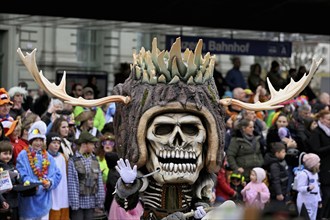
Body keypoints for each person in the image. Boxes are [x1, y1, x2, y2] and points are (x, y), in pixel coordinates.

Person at [16, 120, 62, 219]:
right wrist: (35, 185)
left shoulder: (48, 156)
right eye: (36, 140)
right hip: (28, 202)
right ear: (31, 141)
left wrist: (49, 182)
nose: (38, 143)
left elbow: (57, 174)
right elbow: (22, 175)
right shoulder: (22, 156)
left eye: (41, 140)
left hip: (44, 202)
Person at [67, 131, 105, 220]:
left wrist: (100, 201)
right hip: (78, 204)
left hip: (91, 202)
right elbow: (72, 184)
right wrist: (75, 204)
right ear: (84, 144)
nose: (94, 146)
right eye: (92, 144)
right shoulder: (73, 161)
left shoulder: (95, 160)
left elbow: (99, 182)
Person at [306, 109, 330, 219]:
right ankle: (321, 216)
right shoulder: (317, 132)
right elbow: (315, 150)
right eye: (328, 119)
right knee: (326, 194)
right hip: (322, 167)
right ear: (321, 119)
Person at [46, 132, 70, 220]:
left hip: (63, 191)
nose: (56, 145)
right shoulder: (45, 156)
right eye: (54, 143)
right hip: (51, 190)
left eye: (58, 143)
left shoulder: (63, 157)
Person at [296, 153, 322, 220]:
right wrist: (307, 188)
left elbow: (317, 188)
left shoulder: (315, 174)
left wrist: (319, 200)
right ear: (312, 164)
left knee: (313, 217)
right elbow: (299, 187)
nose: (319, 164)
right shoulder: (303, 174)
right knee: (306, 217)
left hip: (314, 200)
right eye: (318, 162)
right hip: (305, 201)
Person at [0, 140, 21, 220]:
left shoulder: (12, 167)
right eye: (5, 154)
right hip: (3, 205)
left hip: (13, 203)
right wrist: (2, 201)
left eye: (10, 154)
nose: (8, 156)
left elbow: (20, 181)